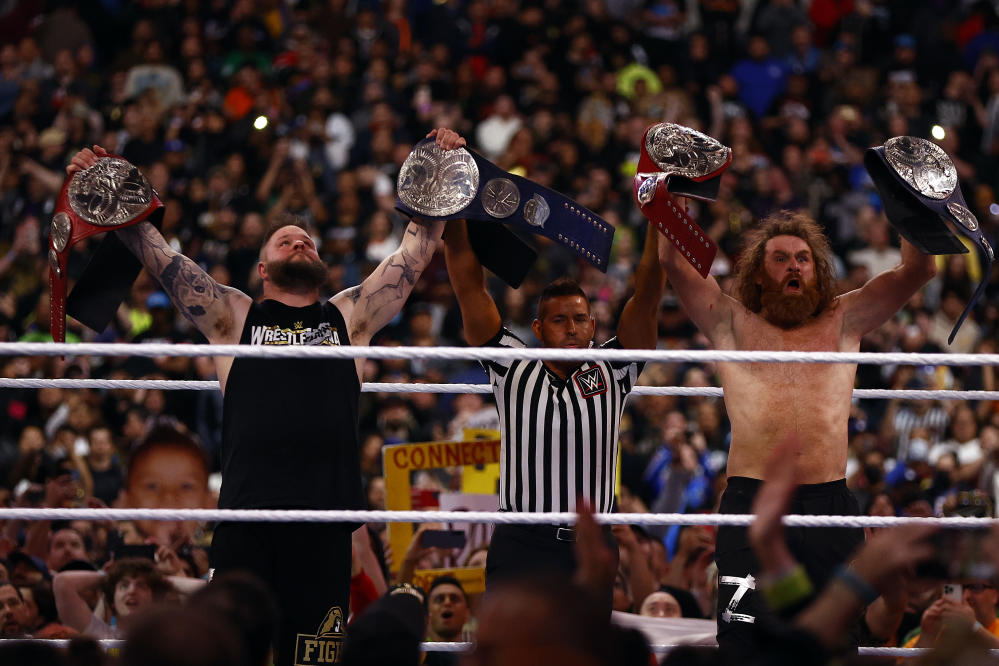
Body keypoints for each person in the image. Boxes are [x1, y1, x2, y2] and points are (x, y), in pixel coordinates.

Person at [66, 128, 458, 666]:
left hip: (322, 527)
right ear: (263, 268)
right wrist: (109, 181)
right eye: (285, 240)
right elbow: (157, 255)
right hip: (245, 523)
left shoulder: (350, 315)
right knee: (229, 654)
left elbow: (415, 253)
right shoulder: (233, 315)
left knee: (312, 660)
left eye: (308, 240)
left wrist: (441, 171)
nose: (300, 242)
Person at [658, 209, 938, 659]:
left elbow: (921, 269)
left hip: (827, 506)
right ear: (758, 273)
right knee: (742, 643)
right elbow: (673, 262)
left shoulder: (844, 318)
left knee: (831, 643)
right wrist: (675, 189)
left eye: (803, 258)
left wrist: (906, 196)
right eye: (781, 258)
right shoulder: (730, 322)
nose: (794, 266)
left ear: (817, 268)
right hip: (750, 505)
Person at [443, 213, 665, 610]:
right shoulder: (511, 365)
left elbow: (647, 299)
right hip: (521, 543)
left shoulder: (614, 368)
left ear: (594, 325)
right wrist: (454, 207)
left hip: (591, 543)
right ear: (539, 328)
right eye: (559, 320)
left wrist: (658, 216)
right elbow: (469, 289)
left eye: (580, 320)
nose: (571, 329)